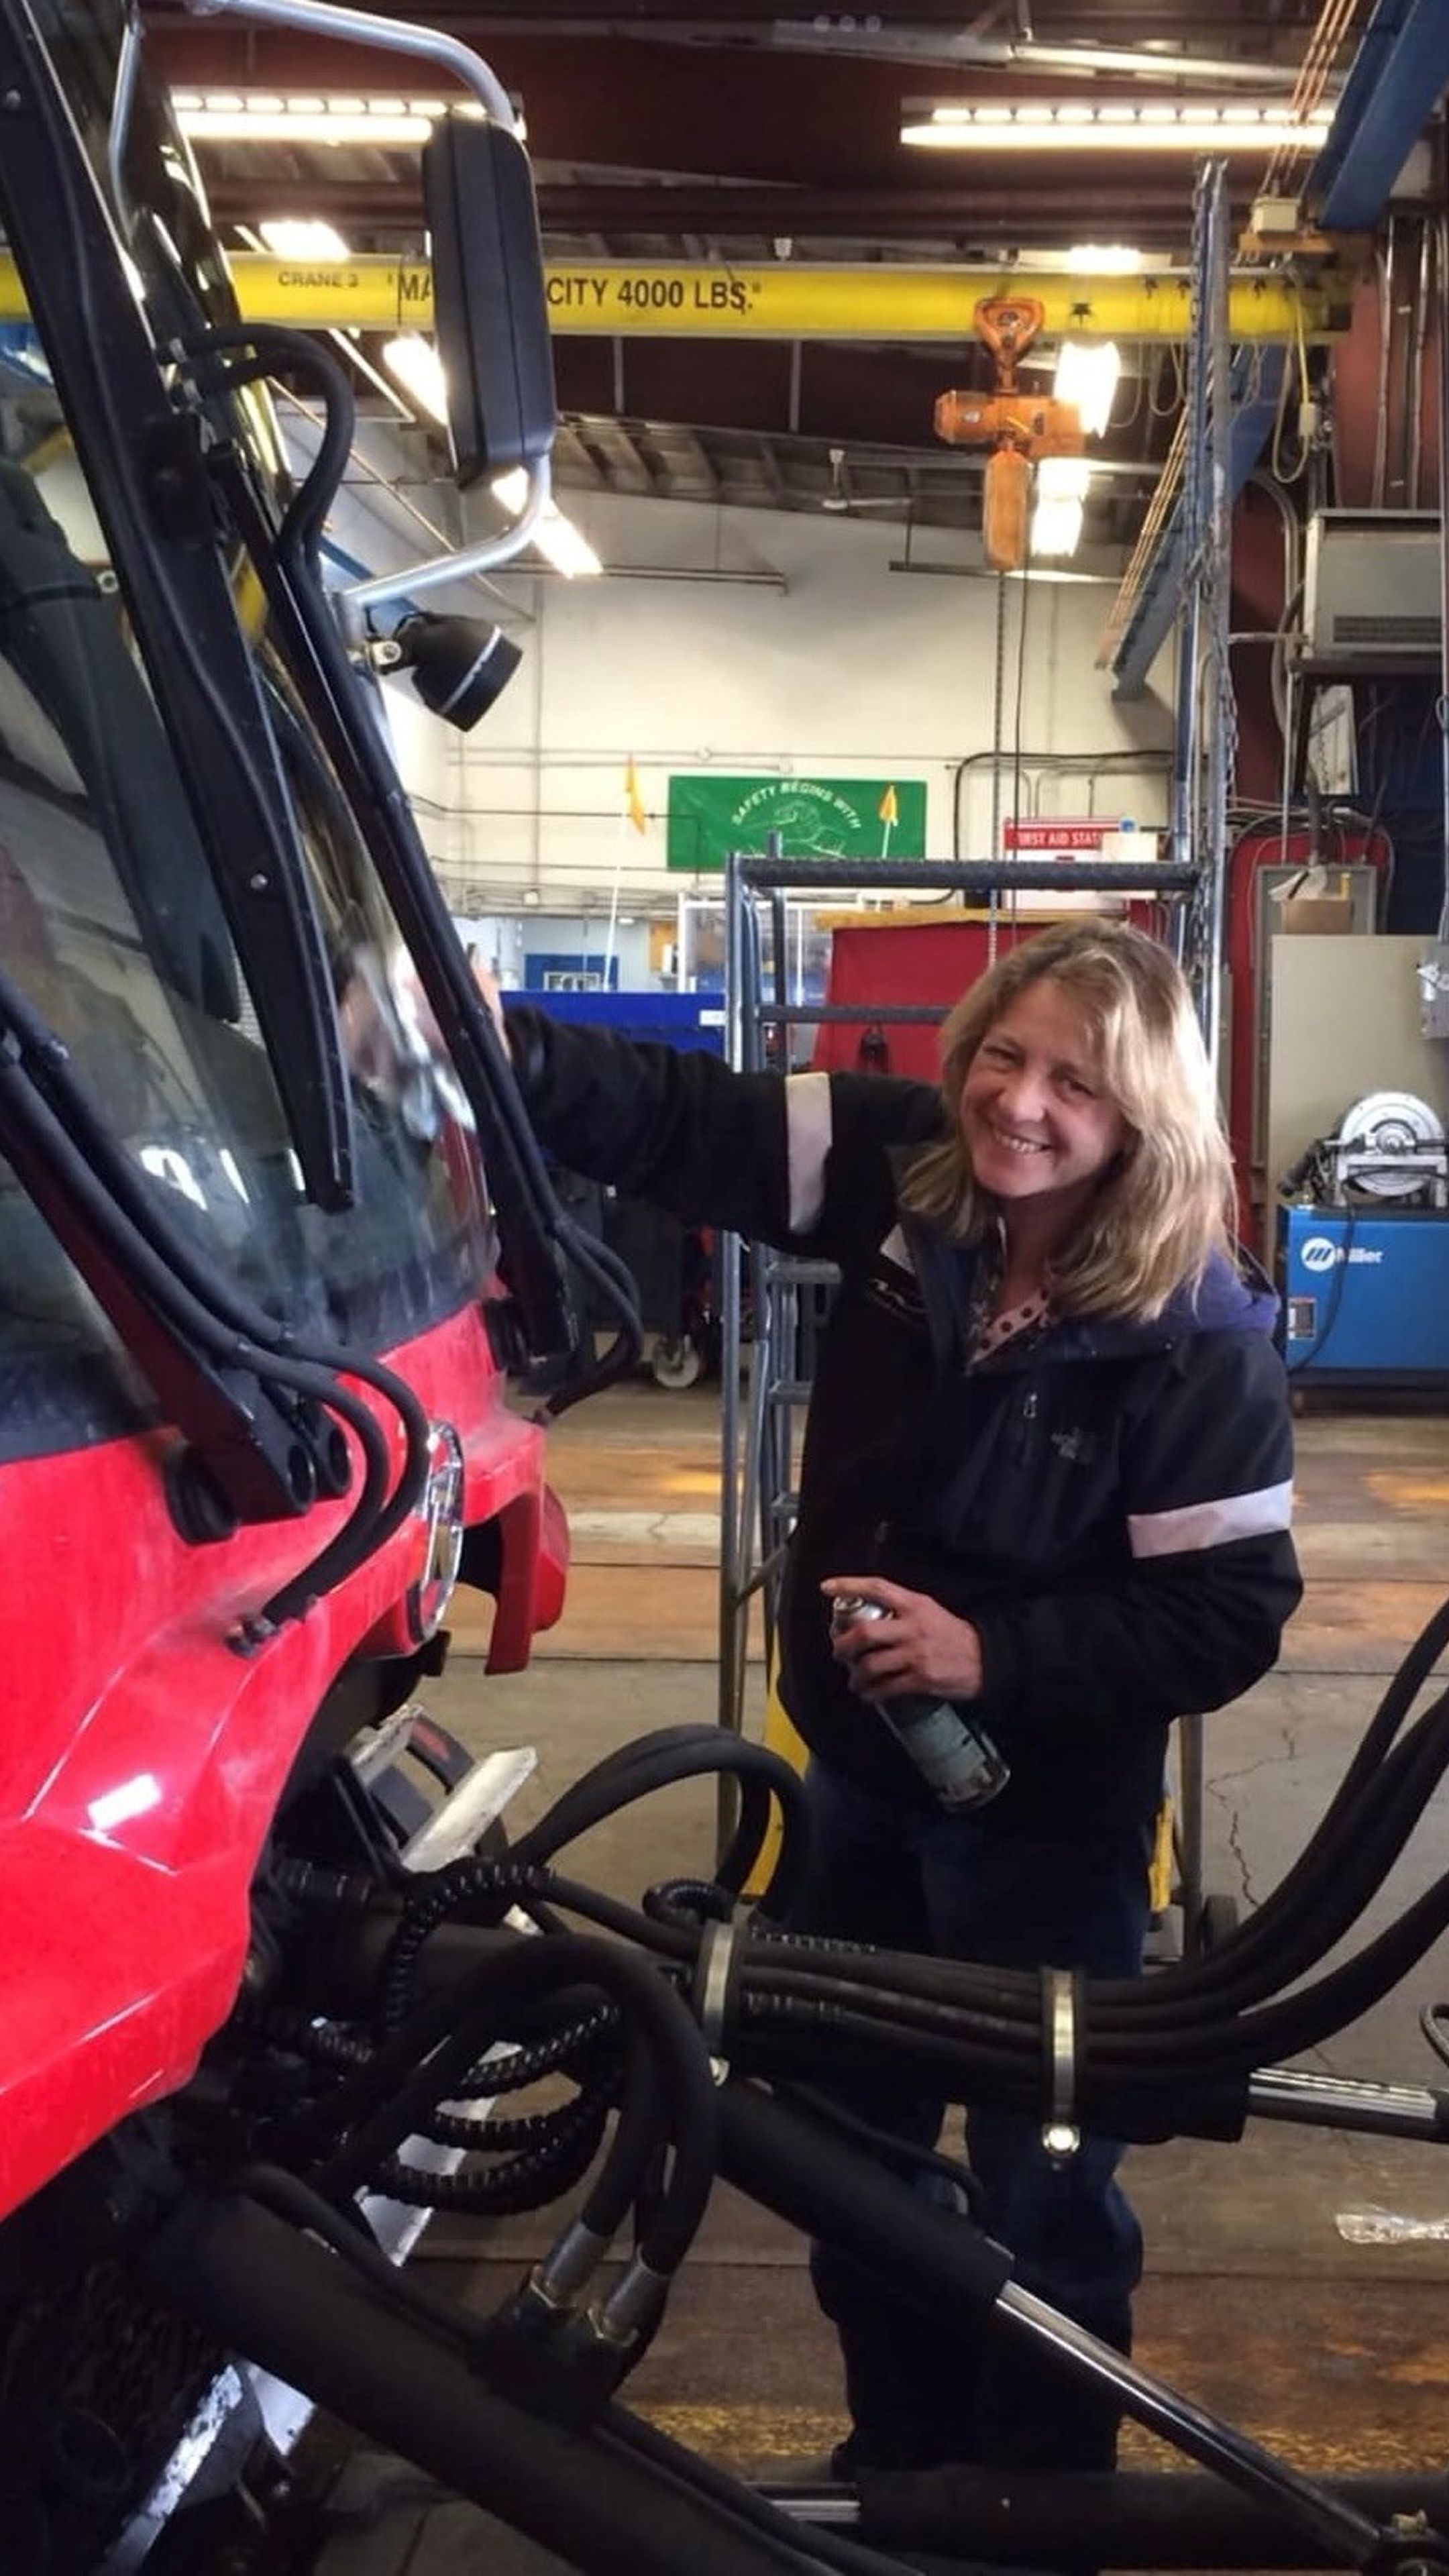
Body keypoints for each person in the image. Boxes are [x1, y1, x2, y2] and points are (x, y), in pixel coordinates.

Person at [486, 918, 1301, 2478]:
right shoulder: (906, 1177)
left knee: (1047, 2200)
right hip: (862, 1797)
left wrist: (993, 1659)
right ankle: (901, 2477)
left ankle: (1042, 2515)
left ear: (1143, 1116)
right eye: (1003, 1053)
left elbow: (1227, 1617)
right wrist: (492, 1050)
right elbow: (682, 1121)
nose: (1020, 1104)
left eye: (1075, 1080)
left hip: (1049, 1842)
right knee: (852, 2168)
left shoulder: (1193, 1339)